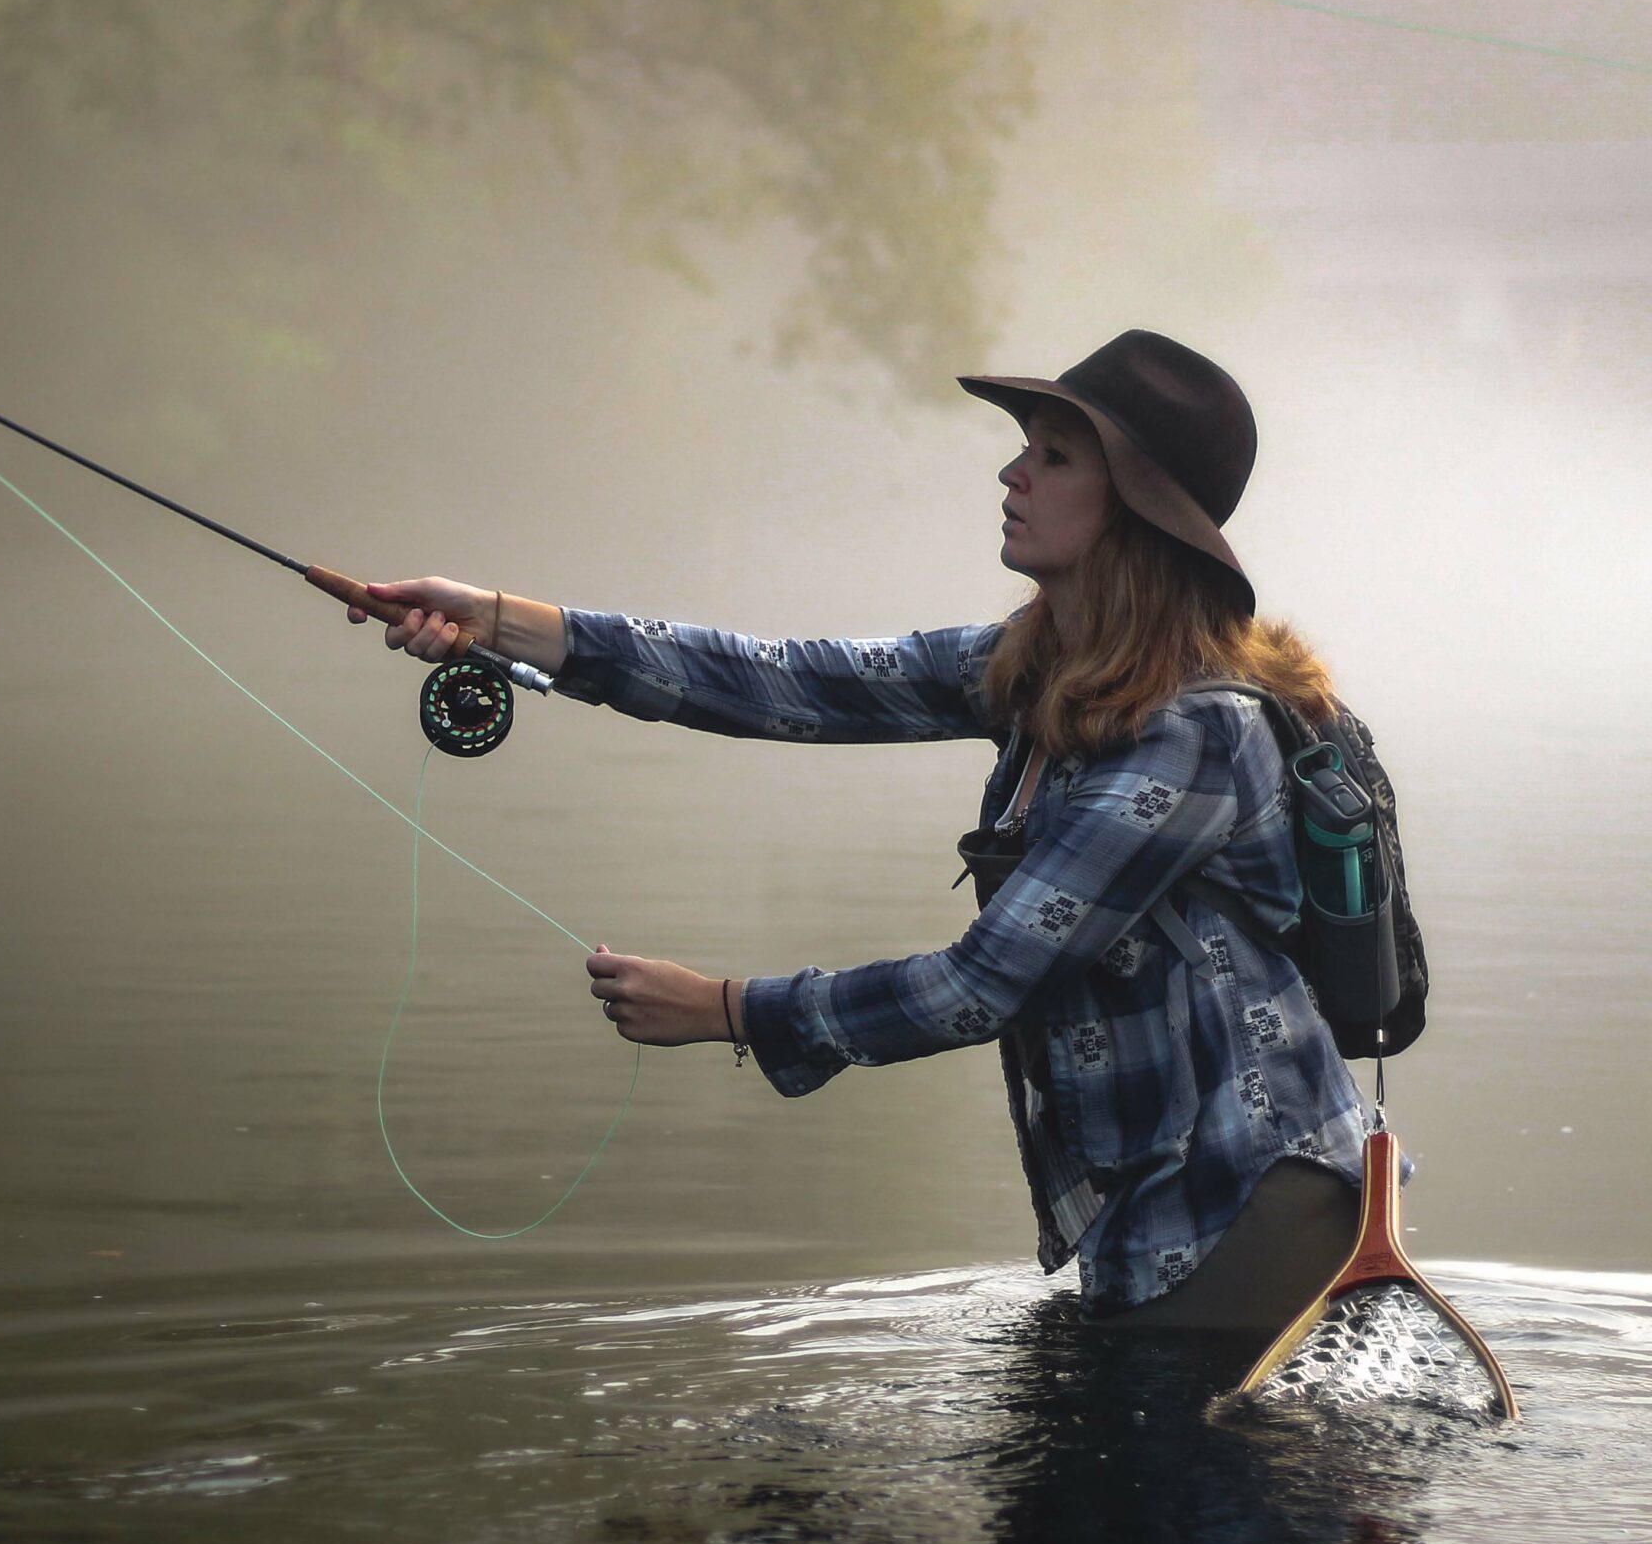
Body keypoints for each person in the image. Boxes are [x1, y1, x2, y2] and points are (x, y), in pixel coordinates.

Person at [343, 330, 1373, 1331]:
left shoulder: (1198, 729)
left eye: (1053, 457)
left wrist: (728, 1008)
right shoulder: (1043, 666)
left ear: (1138, 514)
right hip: (1162, 1217)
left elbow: (980, 986)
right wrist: (497, 619)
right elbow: (785, 677)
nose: (1012, 473)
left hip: (1246, 1211)